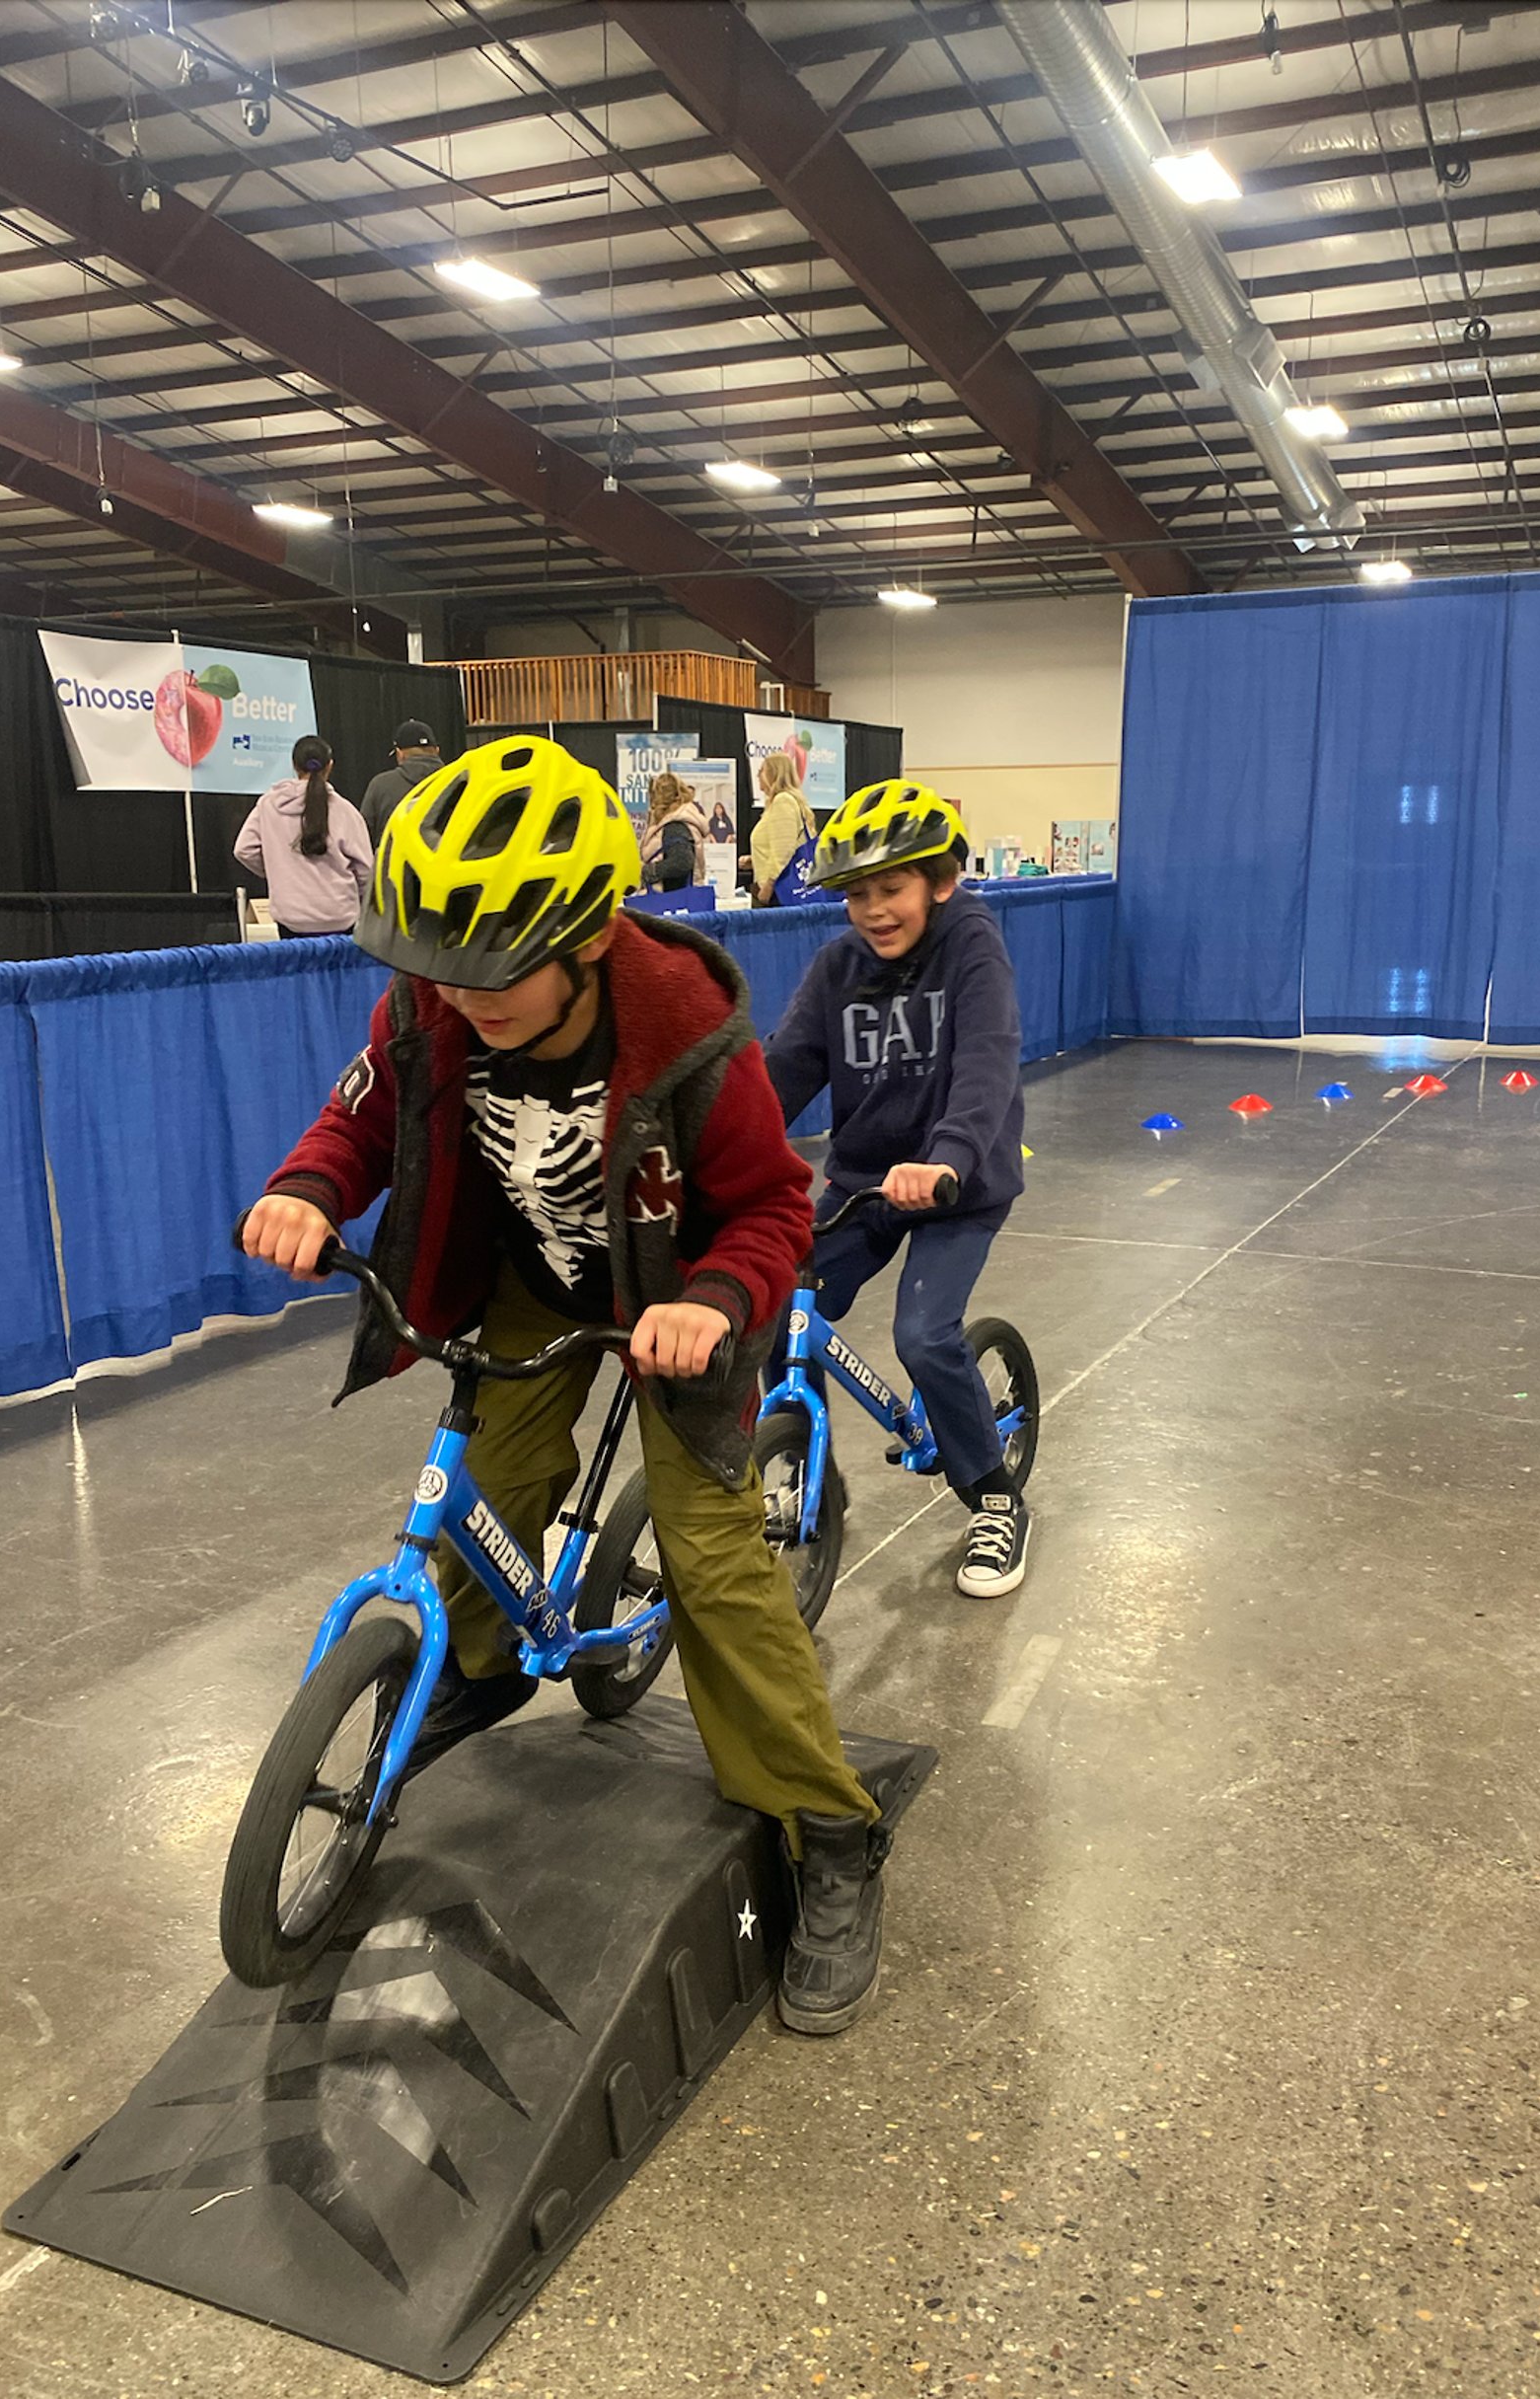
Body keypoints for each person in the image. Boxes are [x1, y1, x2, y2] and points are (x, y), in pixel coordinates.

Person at [239, 734, 890, 2036]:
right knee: (493, 1478)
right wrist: (308, 1187)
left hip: (682, 1286)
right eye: (439, 964)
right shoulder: (436, 1000)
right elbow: (362, 1115)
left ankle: (831, 1832)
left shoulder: (689, 1032)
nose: (459, 992)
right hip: (537, 1271)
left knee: (712, 1560)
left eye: (495, 969)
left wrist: (714, 1304)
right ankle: (479, 1669)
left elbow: (774, 1205)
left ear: (589, 936)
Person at [764, 780, 1031, 1601]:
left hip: (957, 1183)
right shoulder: (838, 967)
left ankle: (995, 1497)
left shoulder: (972, 946)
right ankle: (802, 1473)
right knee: (774, 1305)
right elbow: (783, 1069)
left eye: (892, 888)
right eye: (857, 895)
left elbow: (985, 1062)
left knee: (923, 1333)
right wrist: (716, 1147)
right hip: (865, 1183)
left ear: (939, 880)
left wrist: (947, 1159)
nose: (874, 911)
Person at [232, 734, 373, 937]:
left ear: (294, 765)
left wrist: (278, 871)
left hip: (291, 920)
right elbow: (366, 871)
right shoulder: (345, 811)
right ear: (329, 766)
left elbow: (243, 850)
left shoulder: (268, 805)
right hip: (340, 918)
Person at [748, 750, 817, 906]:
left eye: (761, 771)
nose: (758, 776)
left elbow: (784, 851)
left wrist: (768, 885)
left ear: (773, 774)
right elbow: (782, 845)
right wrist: (754, 860)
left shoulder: (783, 801)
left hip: (778, 892)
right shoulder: (780, 802)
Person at [360, 718, 443, 846]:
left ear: (399, 754)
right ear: (437, 750)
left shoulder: (380, 785)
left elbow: (363, 837)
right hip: (449, 858)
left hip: (396, 858)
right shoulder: (461, 781)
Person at [639, 771, 709, 892]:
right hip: (681, 897)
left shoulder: (675, 826)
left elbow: (681, 862)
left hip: (670, 898)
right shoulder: (681, 822)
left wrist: (646, 871)